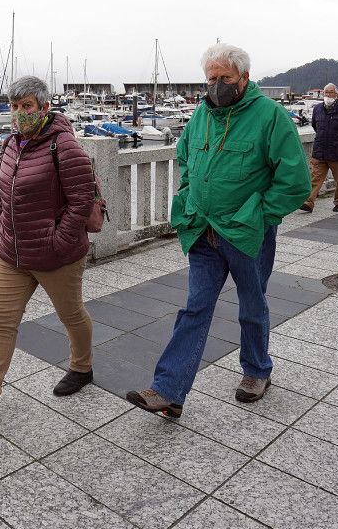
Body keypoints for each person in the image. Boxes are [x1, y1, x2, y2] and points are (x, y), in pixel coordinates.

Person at [126, 43, 310, 417]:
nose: (216, 86)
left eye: (224, 78)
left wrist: (259, 215)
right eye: (211, 78)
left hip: (246, 234)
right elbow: (186, 159)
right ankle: (169, 390)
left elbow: (294, 182)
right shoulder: (201, 115)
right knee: (195, 308)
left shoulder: (271, 117)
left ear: (244, 77)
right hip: (203, 231)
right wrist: (187, 201)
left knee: (252, 305)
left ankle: (257, 371)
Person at [0, 76, 97, 423]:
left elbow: (81, 200)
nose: (19, 113)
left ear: (44, 107)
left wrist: (57, 242)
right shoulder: (11, 144)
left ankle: (82, 367)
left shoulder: (65, 146)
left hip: (56, 256)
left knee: (71, 315)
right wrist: (0, 234)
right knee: (1, 321)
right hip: (13, 254)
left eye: (26, 106)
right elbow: (6, 197)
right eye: (14, 106)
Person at [299, 83, 338, 213]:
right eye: (326, 92)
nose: (328, 95)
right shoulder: (317, 109)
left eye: (331, 92)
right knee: (315, 178)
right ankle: (309, 202)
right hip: (320, 150)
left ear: (337, 94)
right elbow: (315, 126)